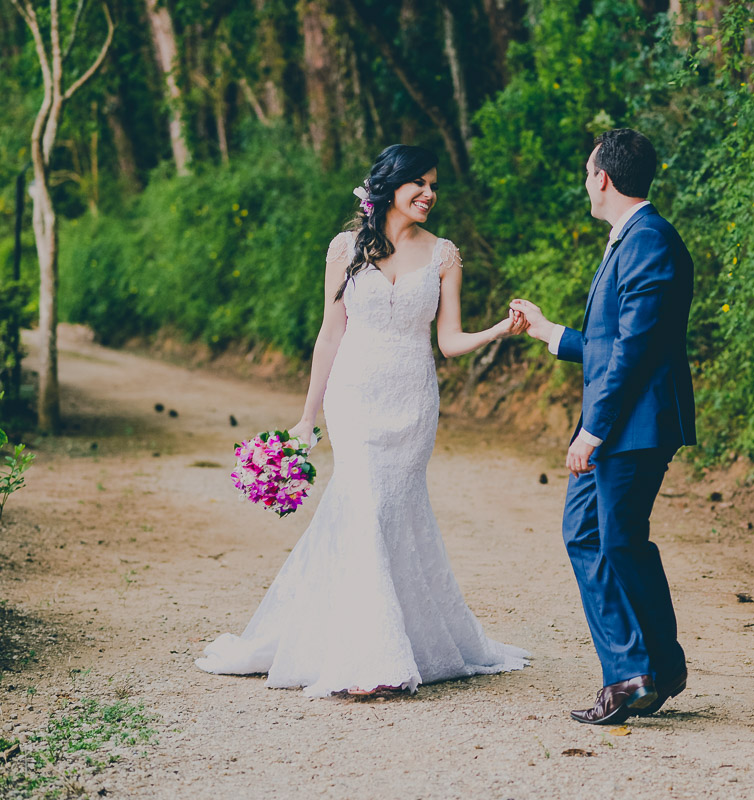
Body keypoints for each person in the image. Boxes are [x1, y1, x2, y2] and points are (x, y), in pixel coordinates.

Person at [196, 144, 530, 698]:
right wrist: (306, 417)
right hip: (352, 397)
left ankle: (402, 640)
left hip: (413, 399)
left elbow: (447, 342)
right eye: (419, 183)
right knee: (365, 506)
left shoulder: (444, 255)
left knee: (394, 513)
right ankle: (370, 658)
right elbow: (330, 335)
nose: (429, 194)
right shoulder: (345, 248)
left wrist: (499, 329)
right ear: (390, 186)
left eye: (434, 185)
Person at [511, 128, 696, 724]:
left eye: (588, 173)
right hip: (620, 420)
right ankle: (650, 669)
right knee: (593, 535)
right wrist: (549, 333)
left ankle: (640, 673)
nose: (586, 183)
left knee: (615, 539)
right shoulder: (631, 240)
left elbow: (637, 349)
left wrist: (592, 430)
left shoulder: (650, 240)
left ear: (603, 179)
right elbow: (611, 341)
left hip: (633, 425)